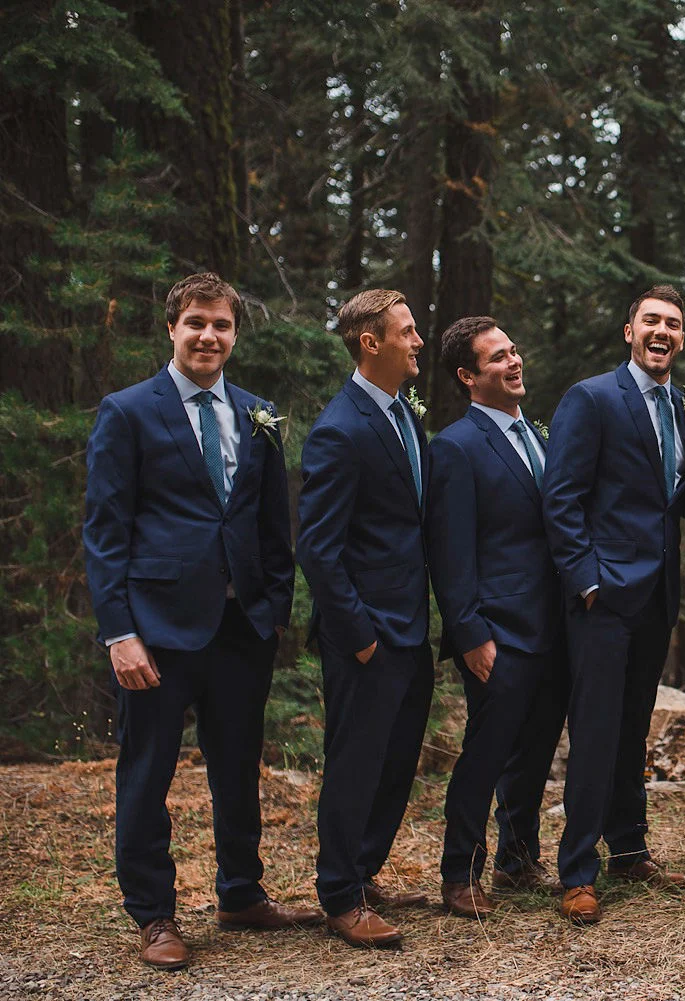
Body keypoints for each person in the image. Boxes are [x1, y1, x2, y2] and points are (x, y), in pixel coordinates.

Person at [84, 273, 317, 969]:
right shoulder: (128, 411)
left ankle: (241, 893)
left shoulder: (258, 413)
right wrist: (120, 632)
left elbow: (274, 522)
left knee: (238, 767)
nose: (208, 336)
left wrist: (274, 610)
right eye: (196, 323)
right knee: (147, 771)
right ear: (172, 329)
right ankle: (154, 914)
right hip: (157, 628)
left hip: (243, 627)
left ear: (235, 334)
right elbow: (105, 532)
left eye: (221, 324)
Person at [543, 284, 685, 924]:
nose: (662, 332)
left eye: (673, 324)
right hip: (603, 597)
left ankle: (629, 849)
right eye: (651, 321)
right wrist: (587, 581)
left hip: (656, 595)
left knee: (634, 726)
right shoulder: (592, 397)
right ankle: (578, 870)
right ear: (629, 331)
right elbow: (562, 497)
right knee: (598, 728)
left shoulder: (681, 406)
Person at [298, 289, 432, 948]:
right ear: (370, 343)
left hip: (411, 628)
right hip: (368, 635)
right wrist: (360, 639)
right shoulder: (340, 428)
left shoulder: (403, 413)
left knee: (396, 761)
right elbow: (317, 548)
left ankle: (364, 870)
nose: (418, 341)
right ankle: (339, 895)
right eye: (407, 332)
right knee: (355, 765)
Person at [426, 317, 569, 917]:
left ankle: (517, 857)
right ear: (468, 376)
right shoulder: (455, 447)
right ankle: (460, 873)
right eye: (497, 358)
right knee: (486, 754)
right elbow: (450, 550)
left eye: (514, 351)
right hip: (497, 631)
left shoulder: (536, 436)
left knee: (534, 751)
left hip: (553, 626)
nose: (514, 362)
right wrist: (469, 633)